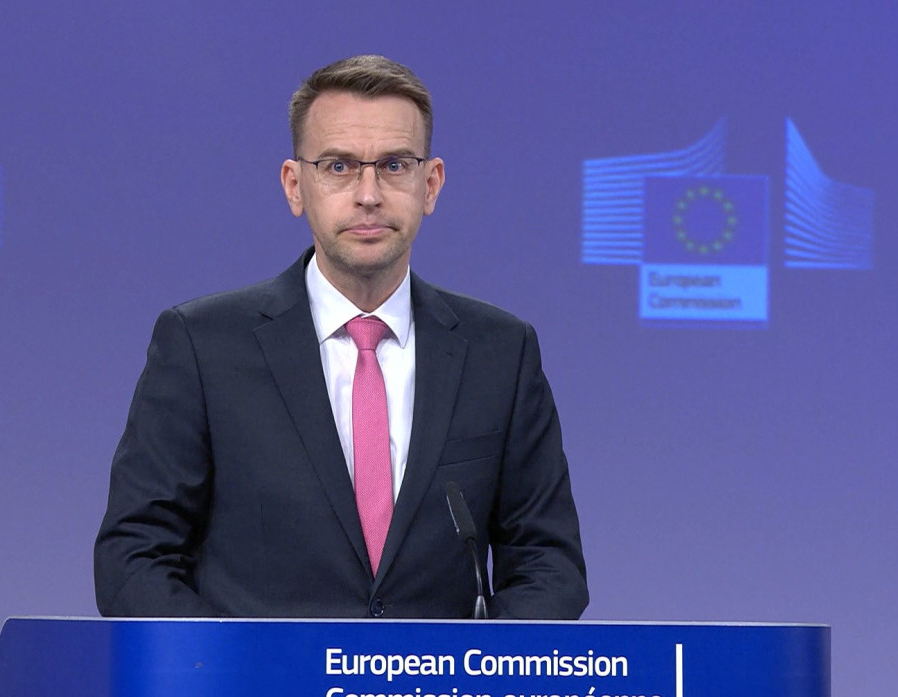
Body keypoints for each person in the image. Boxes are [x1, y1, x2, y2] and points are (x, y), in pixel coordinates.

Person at [94, 55, 588, 619]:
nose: (368, 194)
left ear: (431, 185)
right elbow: (134, 557)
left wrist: (472, 662)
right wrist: (235, 664)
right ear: (294, 185)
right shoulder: (202, 345)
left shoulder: (501, 351)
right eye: (338, 166)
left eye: (395, 165)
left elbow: (549, 564)